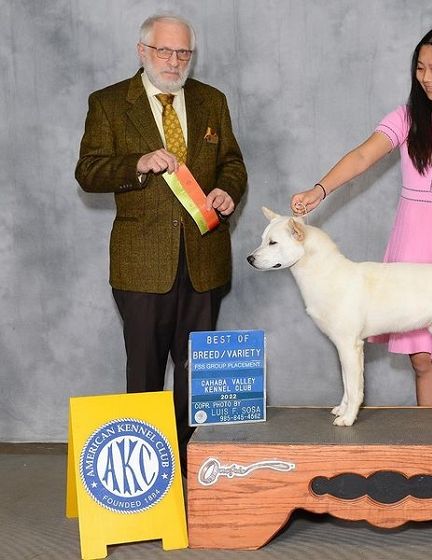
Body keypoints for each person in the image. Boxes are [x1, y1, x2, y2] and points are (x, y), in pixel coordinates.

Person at [290, 26, 432, 408]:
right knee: (423, 363)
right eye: (420, 68)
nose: (426, 78)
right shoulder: (407, 117)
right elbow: (362, 156)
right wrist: (319, 190)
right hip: (410, 241)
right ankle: (428, 455)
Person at [75, 14, 247, 469]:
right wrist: (137, 162)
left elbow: (232, 162)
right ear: (142, 51)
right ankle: (148, 476)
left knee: (198, 379)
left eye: (183, 52)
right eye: (164, 51)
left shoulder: (212, 101)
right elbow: (88, 171)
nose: (174, 61)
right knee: (145, 375)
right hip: (141, 265)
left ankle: (196, 473)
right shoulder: (109, 103)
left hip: (204, 261)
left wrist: (227, 190)